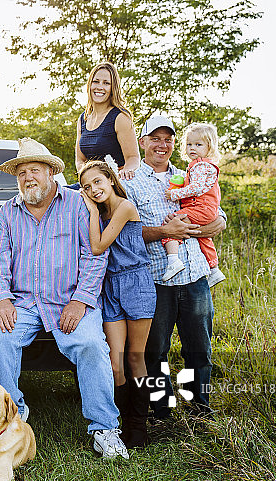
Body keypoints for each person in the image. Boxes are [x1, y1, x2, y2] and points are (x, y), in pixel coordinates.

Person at [0, 137, 129, 459]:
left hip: (69, 300)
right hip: (22, 302)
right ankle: (12, 422)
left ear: (51, 172)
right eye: (21, 173)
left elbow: (94, 256)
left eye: (34, 170)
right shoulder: (7, 212)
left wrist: (81, 300)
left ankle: (104, 429)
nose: (28, 178)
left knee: (92, 344)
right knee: (0, 339)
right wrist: (2, 299)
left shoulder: (77, 204)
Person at [122, 116, 227, 419]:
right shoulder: (129, 181)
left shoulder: (191, 173)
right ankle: (161, 408)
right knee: (155, 351)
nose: (162, 144)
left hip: (194, 275)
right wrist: (164, 232)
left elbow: (216, 211)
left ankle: (199, 407)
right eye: (155, 138)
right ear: (142, 142)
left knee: (199, 349)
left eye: (167, 139)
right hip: (155, 279)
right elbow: (127, 233)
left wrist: (217, 224)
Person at [79, 160, 156, 448]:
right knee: (114, 363)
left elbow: (98, 246)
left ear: (110, 179)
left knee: (136, 358)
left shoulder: (124, 207)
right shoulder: (99, 213)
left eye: (98, 182)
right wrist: (91, 210)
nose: (93, 189)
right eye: (87, 187)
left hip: (136, 283)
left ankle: (139, 426)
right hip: (110, 285)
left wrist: (89, 209)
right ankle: (118, 423)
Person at [161, 122, 226, 287]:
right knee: (204, 237)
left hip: (201, 207)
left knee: (173, 224)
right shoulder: (198, 166)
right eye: (189, 144)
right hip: (207, 209)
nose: (192, 148)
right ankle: (214, 269)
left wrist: (175, 193)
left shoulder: (201, 166)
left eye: (198, 144)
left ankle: (173, 260)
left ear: (209, 147)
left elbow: (196, 188)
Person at [75, 63, 140, 180]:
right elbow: (80, 160)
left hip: (114, 182)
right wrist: (87, 177)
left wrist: (126, 171)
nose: (100, 87)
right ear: (90, 84)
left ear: (112, 88)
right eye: (96, 81)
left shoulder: (120, 117)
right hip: (90, 183)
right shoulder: (82, 119)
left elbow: (133, 158)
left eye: (106, 83)